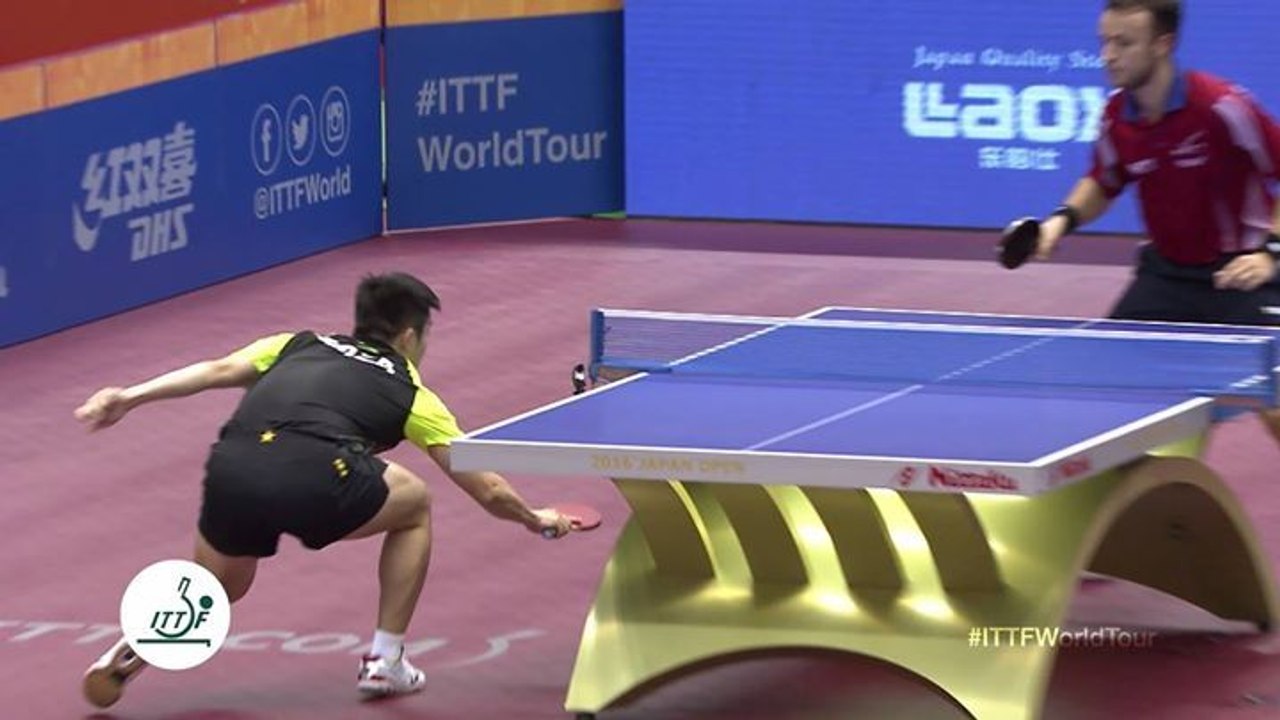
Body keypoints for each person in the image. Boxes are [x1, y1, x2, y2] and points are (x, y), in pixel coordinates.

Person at [75, 272, 573, 707]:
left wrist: (129, 397)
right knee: (415, 504)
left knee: (220, 585)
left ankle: (133, 647)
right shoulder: (411, 392)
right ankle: (385, 657)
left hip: (232, 465)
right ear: (407, 337)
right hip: (317, 475)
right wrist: (535, 517)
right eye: (425, 337)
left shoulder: (297, 343)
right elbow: (485, 487)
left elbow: (217, 371)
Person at [1018, 0, 1280, 437]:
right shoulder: (1118, 113)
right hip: (1168, 277)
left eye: (1124, 43)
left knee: (1275, 405)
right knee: (1106, 398)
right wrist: (1059, 221)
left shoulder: (1220, 106)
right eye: (1104, 41)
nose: (1108, 54)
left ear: (1164, 44)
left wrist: (1271, 253)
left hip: (1241, 274)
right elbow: (1105, 180)